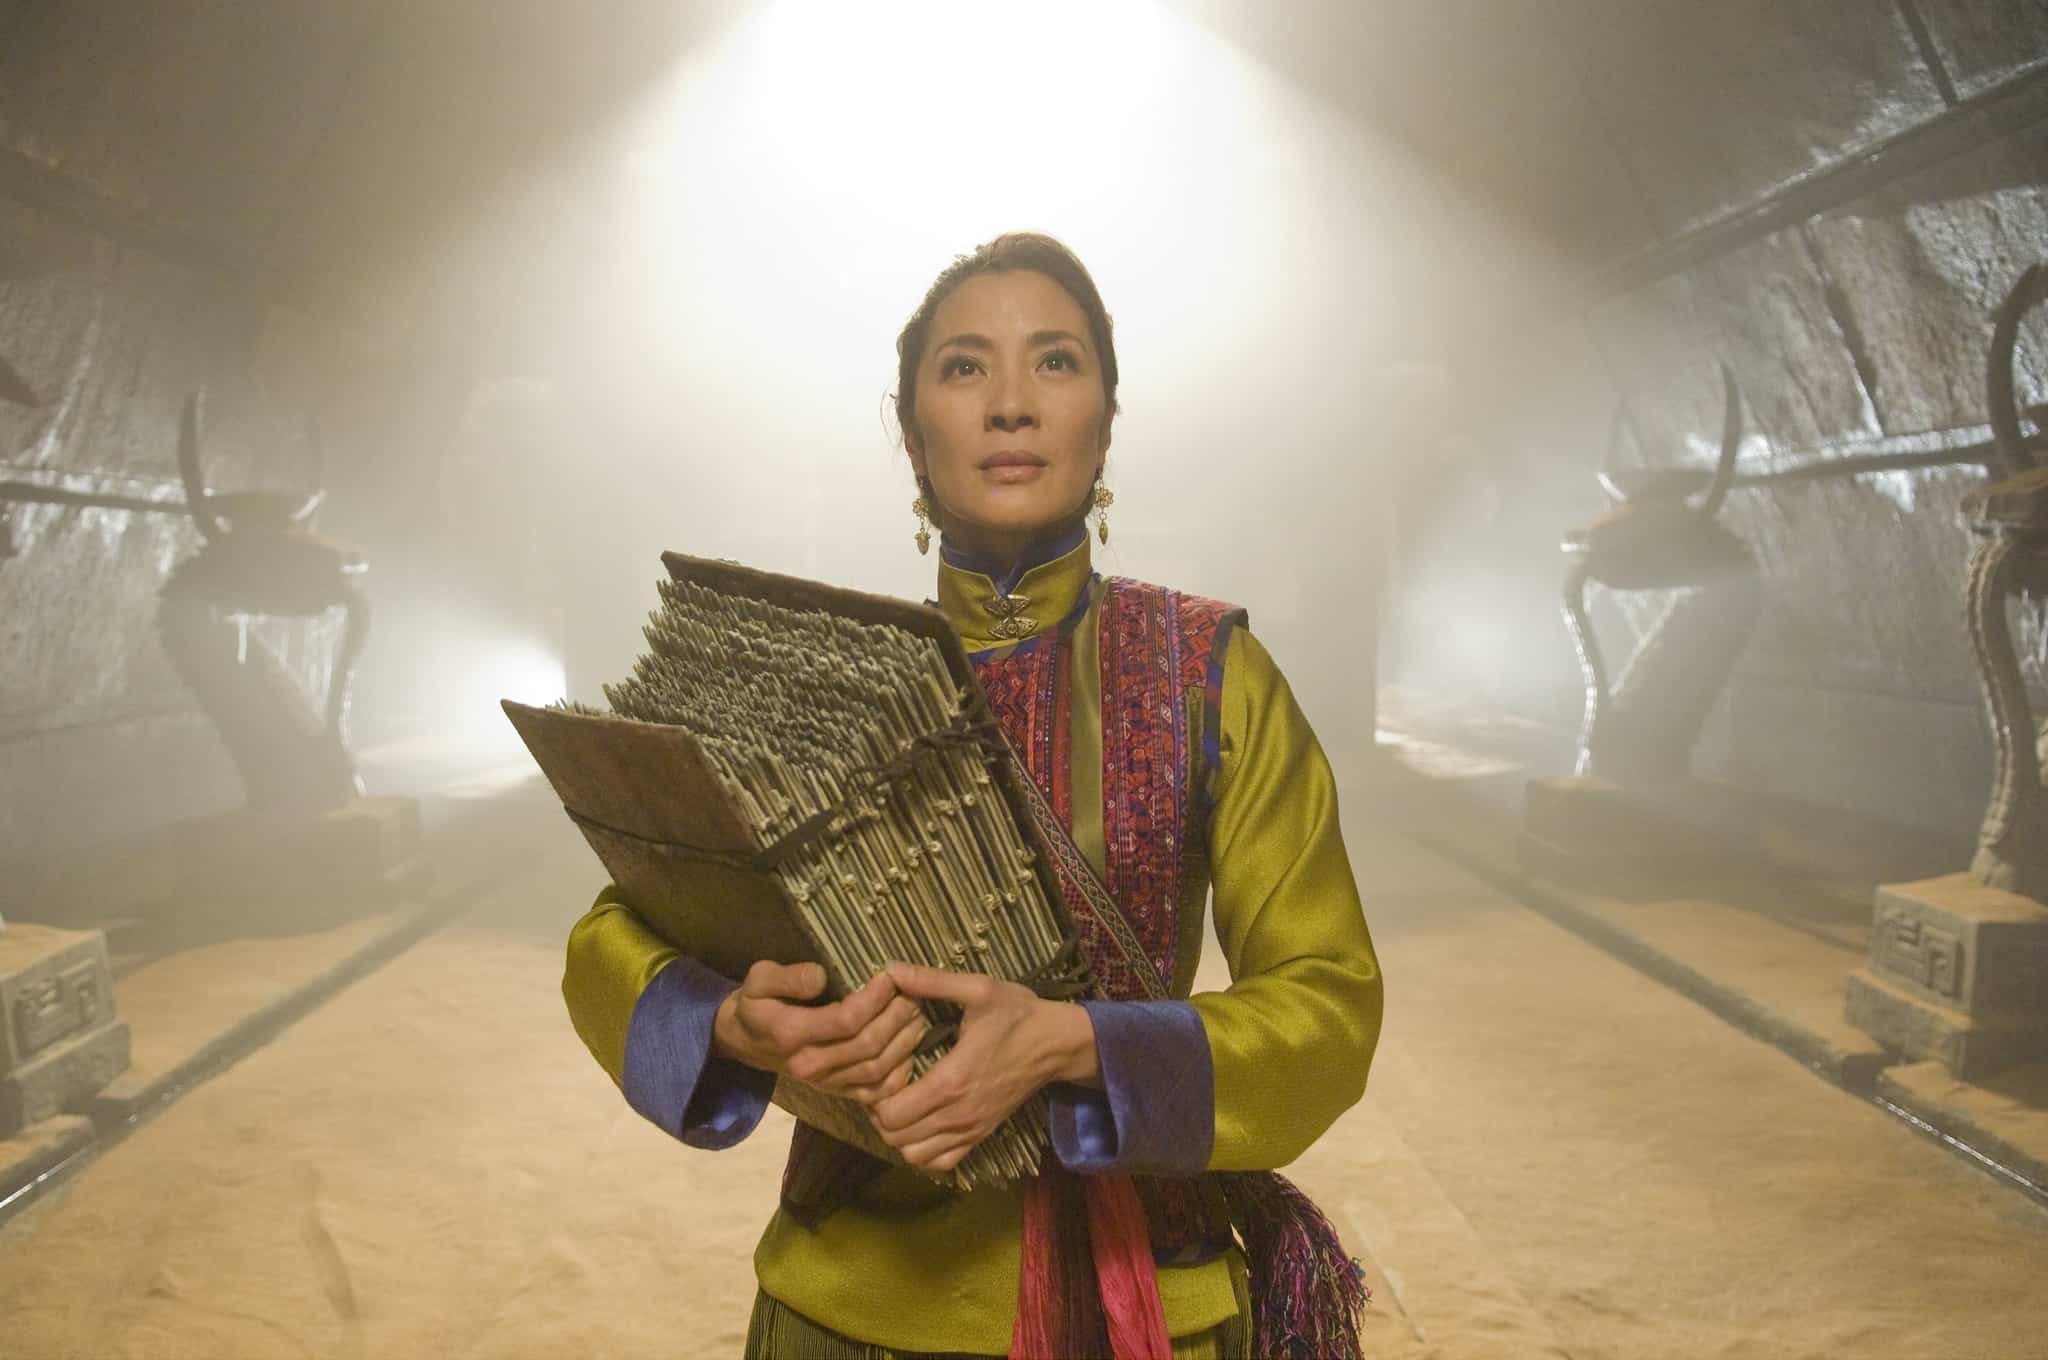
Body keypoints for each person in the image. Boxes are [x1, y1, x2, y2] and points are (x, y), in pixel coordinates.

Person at [562, 232, 1384, 1359]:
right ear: (908, 431)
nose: (1009, 403)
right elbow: (611, 937)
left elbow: (1328, 1007)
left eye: (1054, 361)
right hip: (843, 1304)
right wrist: (732, 1020)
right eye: (962, 368)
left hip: (1148, 1308)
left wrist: (1073, 1043)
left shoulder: (1209, 675)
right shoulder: (816, 678)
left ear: (1107, 413)